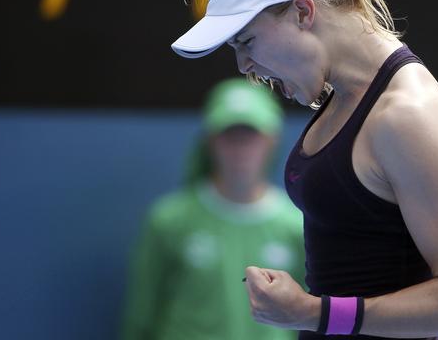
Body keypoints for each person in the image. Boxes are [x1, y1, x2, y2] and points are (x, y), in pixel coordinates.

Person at [171, 0, 438, 339]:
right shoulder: (340, 92)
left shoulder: (405, 115)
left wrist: (313, 313)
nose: (244, 64)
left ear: (303, 12)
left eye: (246, 41)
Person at [120, 79, 305, 340]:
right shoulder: (169, 220)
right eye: (230, 135)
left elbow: (311, 317)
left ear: (271, 141)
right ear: (210, 141)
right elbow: (141, 314)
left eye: (250, 135)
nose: (240, 148)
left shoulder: (297, 225)